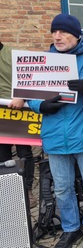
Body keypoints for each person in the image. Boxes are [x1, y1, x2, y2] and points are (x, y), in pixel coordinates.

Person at [27, 14, 83, 248]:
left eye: (63, 32)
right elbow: (30, 93)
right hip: (55, 135)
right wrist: (39, 105)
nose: (57, 36)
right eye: (54, 32)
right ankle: (70, 228)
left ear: (77, 35)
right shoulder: (44, 61)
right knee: (62, 187)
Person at [0, 40, 37, 209]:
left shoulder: (13, 54)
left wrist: (22, 96)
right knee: (2, 154)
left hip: (17, 111)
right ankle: (8, 190)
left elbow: (29, 79)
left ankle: (27, 190)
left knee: (24, 153)